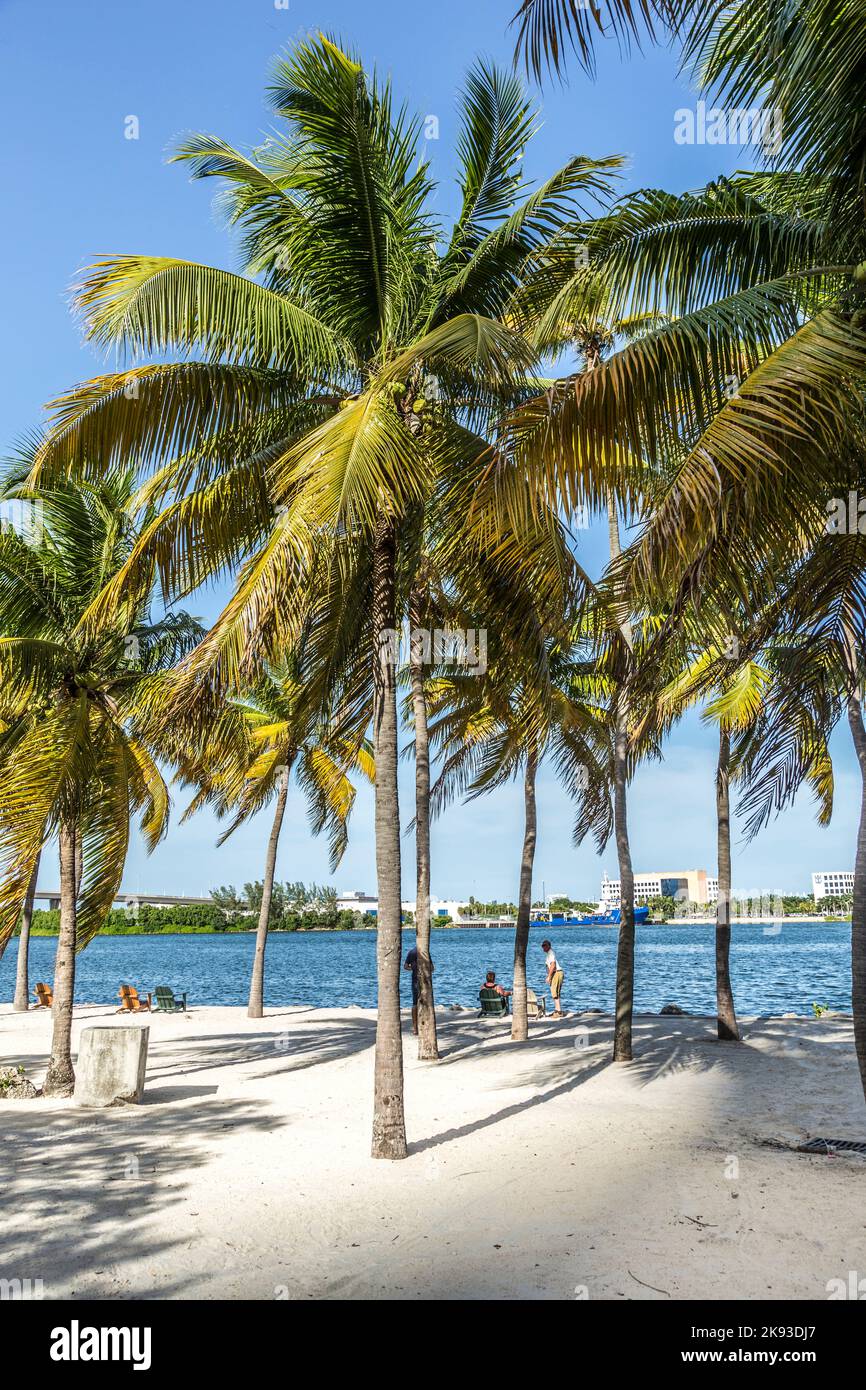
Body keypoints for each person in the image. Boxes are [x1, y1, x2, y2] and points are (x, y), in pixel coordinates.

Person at [403, 945, 434, 1035]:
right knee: (427, 1003)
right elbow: (432, 968)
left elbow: (405, 966)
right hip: (425, 981)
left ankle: (415, 1028)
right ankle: (426, 1026)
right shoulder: (425, 952)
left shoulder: (411, 952)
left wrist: (413, 969)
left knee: (415, 1003)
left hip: (415, 980)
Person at [541, 939, 565, 1016]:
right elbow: (549, 966)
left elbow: (553, 965)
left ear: (549, 946)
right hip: (556, 973)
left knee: (555, 993)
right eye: (542, 946)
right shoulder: (549, 954)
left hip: (556, 973)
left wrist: (549, 976)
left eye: (545, 945)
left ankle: (558, 1011)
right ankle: (557, 1010)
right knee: (555, 992)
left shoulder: (551, 953)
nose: (543, 947)